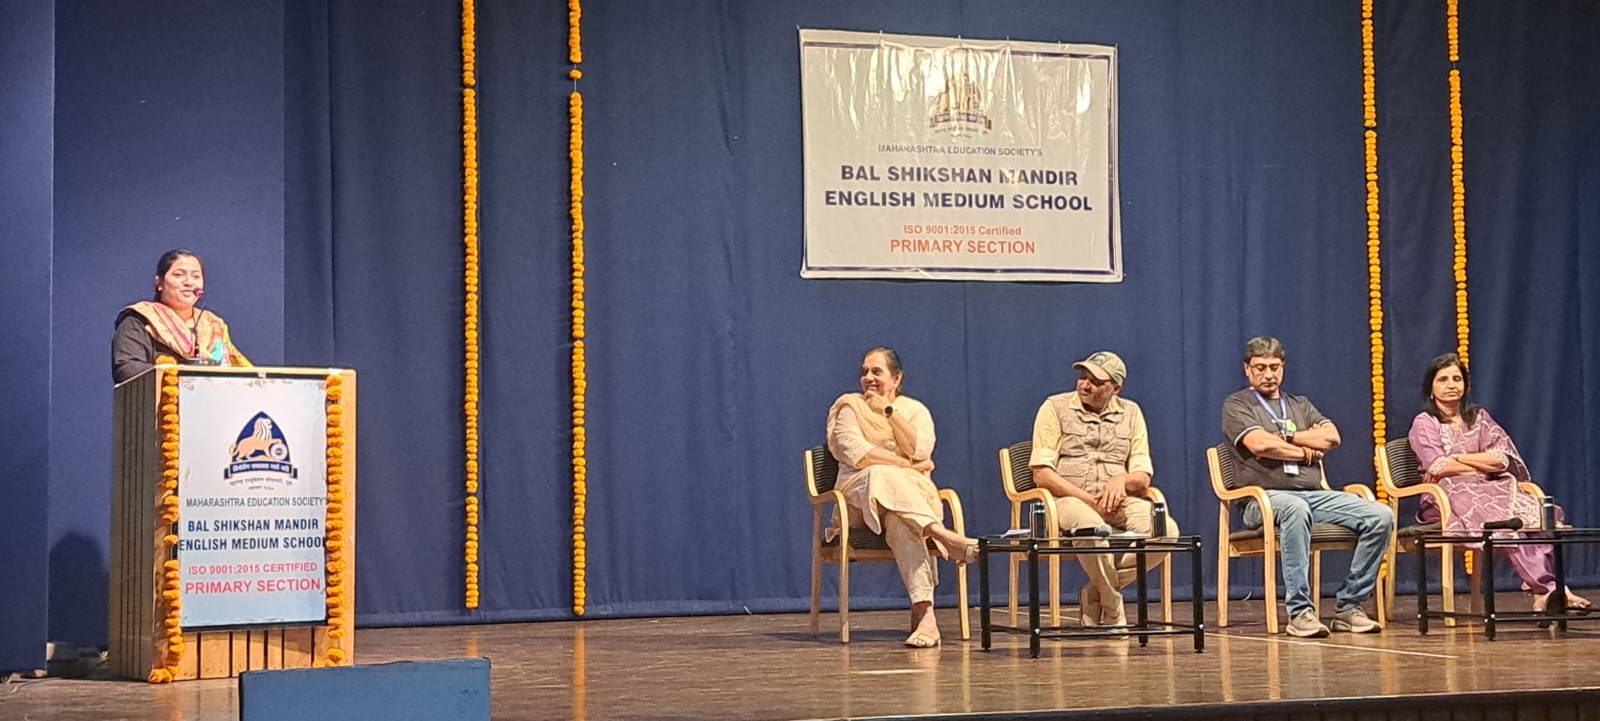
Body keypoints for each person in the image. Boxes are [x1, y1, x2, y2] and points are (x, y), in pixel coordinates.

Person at [1220, 336, 1393, 637]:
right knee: (1295, 508)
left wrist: (1286, 437)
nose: (1268, 374)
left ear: (1283, 367)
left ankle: (1349, 606)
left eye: (1274, 367)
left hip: (1315, 494)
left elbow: (1332, 437)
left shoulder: (1300, 404)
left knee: (1381, 516)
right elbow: (1260, 444)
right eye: (1260, 368)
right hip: (1261, 500)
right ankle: (1300, 612)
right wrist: (1304, 451)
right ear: (1247, 369)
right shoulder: (1237, 405)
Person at [1406, 352, 1591, 614]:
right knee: (1502, 521)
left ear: (1466, 384)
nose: (1451, 385)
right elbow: (1437, 466)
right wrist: (1479, 463)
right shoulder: (1425, 423)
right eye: (1443, 379)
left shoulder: (1479, 418)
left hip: (1492, 489)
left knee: (1538, 515)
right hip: (1444, 499)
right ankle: (1549, 589)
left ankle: (1547, 592)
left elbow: (1502, 459)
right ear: (1431, 388)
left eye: (1457, 379)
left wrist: (1457, 457)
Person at [825, 346, 975, 648]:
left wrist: (889, 412)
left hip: (905, 505)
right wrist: (906, 465)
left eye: (876, 371)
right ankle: (941, 534)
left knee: (899, 521)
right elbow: (855, 452)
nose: (868, 378)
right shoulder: (849, 406)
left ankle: (926, 615)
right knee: (881, 474)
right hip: (857, 500)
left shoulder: (915, 410)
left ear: (897, 378)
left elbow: (921, 449)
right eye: (864, 372)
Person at [1028, 350, 1180, 628]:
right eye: (1083, 377)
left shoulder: (1131, 413)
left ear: (1116, 388)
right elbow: (1042, 474)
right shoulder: (1054, 407)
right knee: (1092, 528)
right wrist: (1089, 500)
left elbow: (1143, 475)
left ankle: (1096, 592)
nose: (1085, 385)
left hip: (1117, 501)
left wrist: (1121, 481)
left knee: (1166, 531)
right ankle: (1112, 606)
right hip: (1067, 500)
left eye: (1096, 382)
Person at [112, 250, 251, 383]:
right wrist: (173, 375)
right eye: (179, 275)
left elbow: (231, 369)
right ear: (159, 283)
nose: (189, 282)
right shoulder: (140, 320)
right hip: (164, 398)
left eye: (196, 276)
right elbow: (126, 369)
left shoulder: (214, 324)